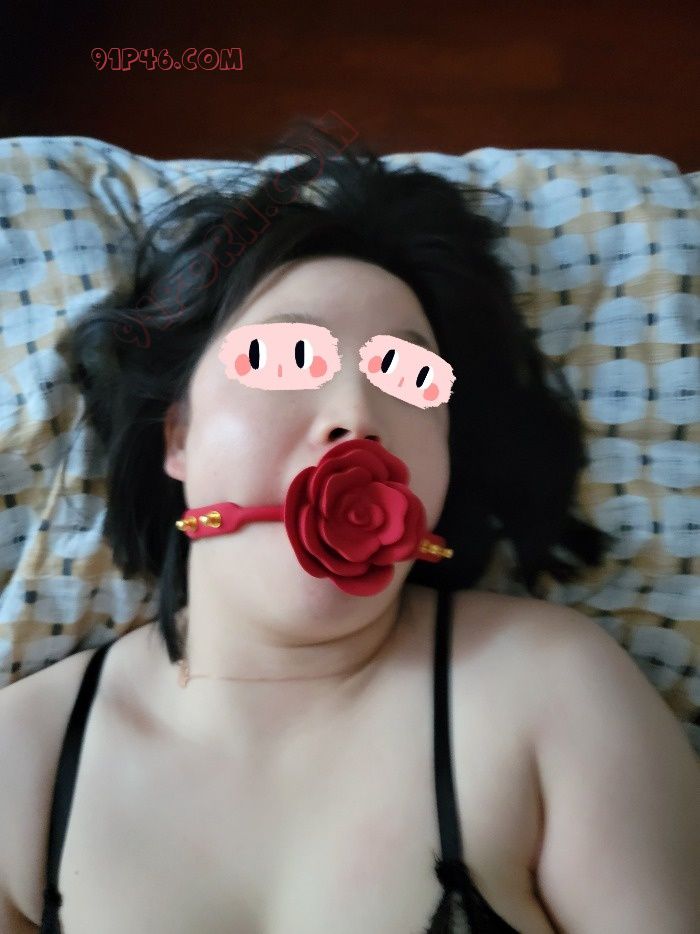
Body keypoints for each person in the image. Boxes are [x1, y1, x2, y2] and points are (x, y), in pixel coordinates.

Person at [9, 117, 695, 932]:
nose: (356, 416)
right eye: (287, 359)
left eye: (407, 376)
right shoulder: (20, 762)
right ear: (179, 436)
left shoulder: (556, 688)